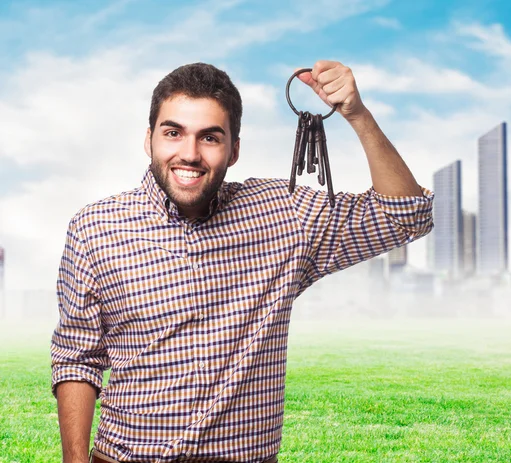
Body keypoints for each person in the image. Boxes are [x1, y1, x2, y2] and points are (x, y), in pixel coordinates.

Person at [51, 60, 434, 463]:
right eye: (173, 133)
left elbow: (406, 215)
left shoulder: (284, 215)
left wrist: (357, 115)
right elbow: (77, 357)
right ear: (149, 139)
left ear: (234, 150)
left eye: (210, 138)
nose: (189, 154)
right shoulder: (94, 228)